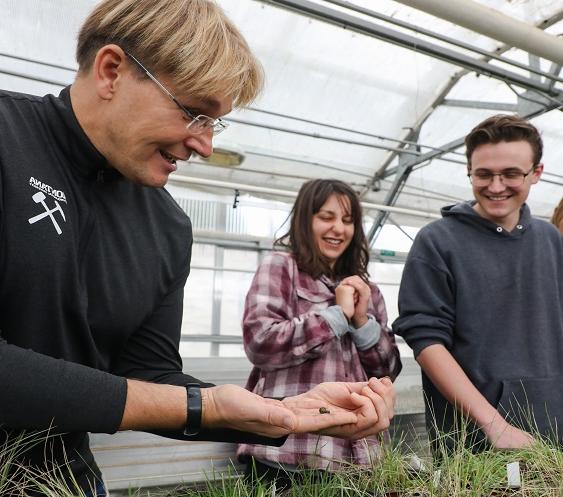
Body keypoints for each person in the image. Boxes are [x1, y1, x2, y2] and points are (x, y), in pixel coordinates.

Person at [0, 1, 396, 496]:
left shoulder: (166, 226)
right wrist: (201, 407)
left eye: (214, 123)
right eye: (193, 112)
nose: (204, 145)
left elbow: (149, 375)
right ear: (111, 71)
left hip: (64, 480)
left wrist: (285, 414)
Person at [393, 114, 563, 452]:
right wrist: (494, 426)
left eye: (511, 174)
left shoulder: (550, 240)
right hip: (476, 443)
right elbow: (427, 343)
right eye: (483, 174)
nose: (496, 187)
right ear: (470, 171)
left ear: (537, 173)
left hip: (554, 433)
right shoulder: (437, 242)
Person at [237, 179, 402, 487]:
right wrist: (336, 316)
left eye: (347, 220)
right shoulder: (281, 267)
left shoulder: (366, 290)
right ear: (305, 219)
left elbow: (387, 371)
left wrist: (361, 319)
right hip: (287, 451)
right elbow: (260, 343)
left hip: (359, 457)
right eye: (326, 217)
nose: (338, 229)